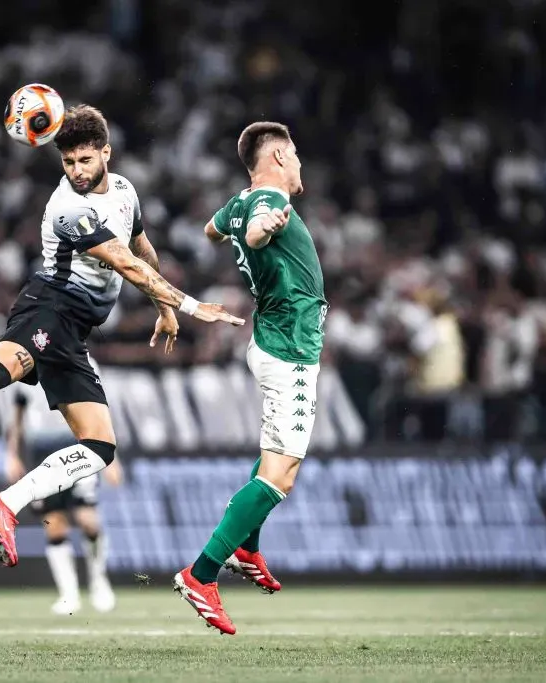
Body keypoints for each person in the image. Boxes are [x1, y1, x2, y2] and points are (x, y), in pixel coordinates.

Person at [0, 104, 244, 569]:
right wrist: (191, 306)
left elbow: (142, 247)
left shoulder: (126, 191)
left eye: (85, 161)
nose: (76, 171)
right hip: (49, 307)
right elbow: (126, 265)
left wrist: (163, 310)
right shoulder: (66, 209)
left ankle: (6, 505)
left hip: (74, 331)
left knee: (100, 447)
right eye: (68, 162)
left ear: (106, 154)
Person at [172, 121, 327, 635]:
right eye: (297, 155)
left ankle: (246, 546)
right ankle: (201, 574)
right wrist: (265, 225)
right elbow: (259, 227)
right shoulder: (267, 206)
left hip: (271, 343)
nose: (300, 164)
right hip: (289, 351)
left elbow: (211, 230)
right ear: (280, 157)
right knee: (280, 475)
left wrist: (240, 220)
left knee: (271, 461)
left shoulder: (239, 203)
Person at [5, 367, 121, 614]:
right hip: (41, 449)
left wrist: (114, 458)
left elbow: (100, 410)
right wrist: (12, 454)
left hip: (79, 444)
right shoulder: (27, 362)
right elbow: (17, 413)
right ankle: (69, 594)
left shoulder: (82, 358)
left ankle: (99, 582)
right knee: (54, 523)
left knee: (87, 519)